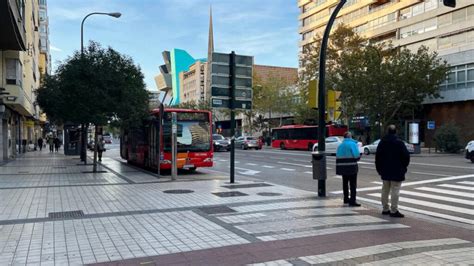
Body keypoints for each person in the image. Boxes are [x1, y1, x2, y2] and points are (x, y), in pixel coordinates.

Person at [375, 125, 410, 218]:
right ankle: (394, 210)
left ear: (387, 131)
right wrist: (404, 167)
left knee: (385, 190)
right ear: (396, 132)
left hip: (385, 170)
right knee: (395, 190)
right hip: (397, 170)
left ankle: (385, 208)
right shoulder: (399, 143)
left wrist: (379, 169)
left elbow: (377, 157)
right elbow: (406, 157)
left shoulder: (382, 142)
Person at [336, 132, 361, 207]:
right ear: (350, 137)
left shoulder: (340, 145)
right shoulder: (353, 144)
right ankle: (352, 201)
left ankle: (346, 199)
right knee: (353, 184)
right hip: (351, 167)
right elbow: (357, 156)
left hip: (342, 168)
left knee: (345, 183)